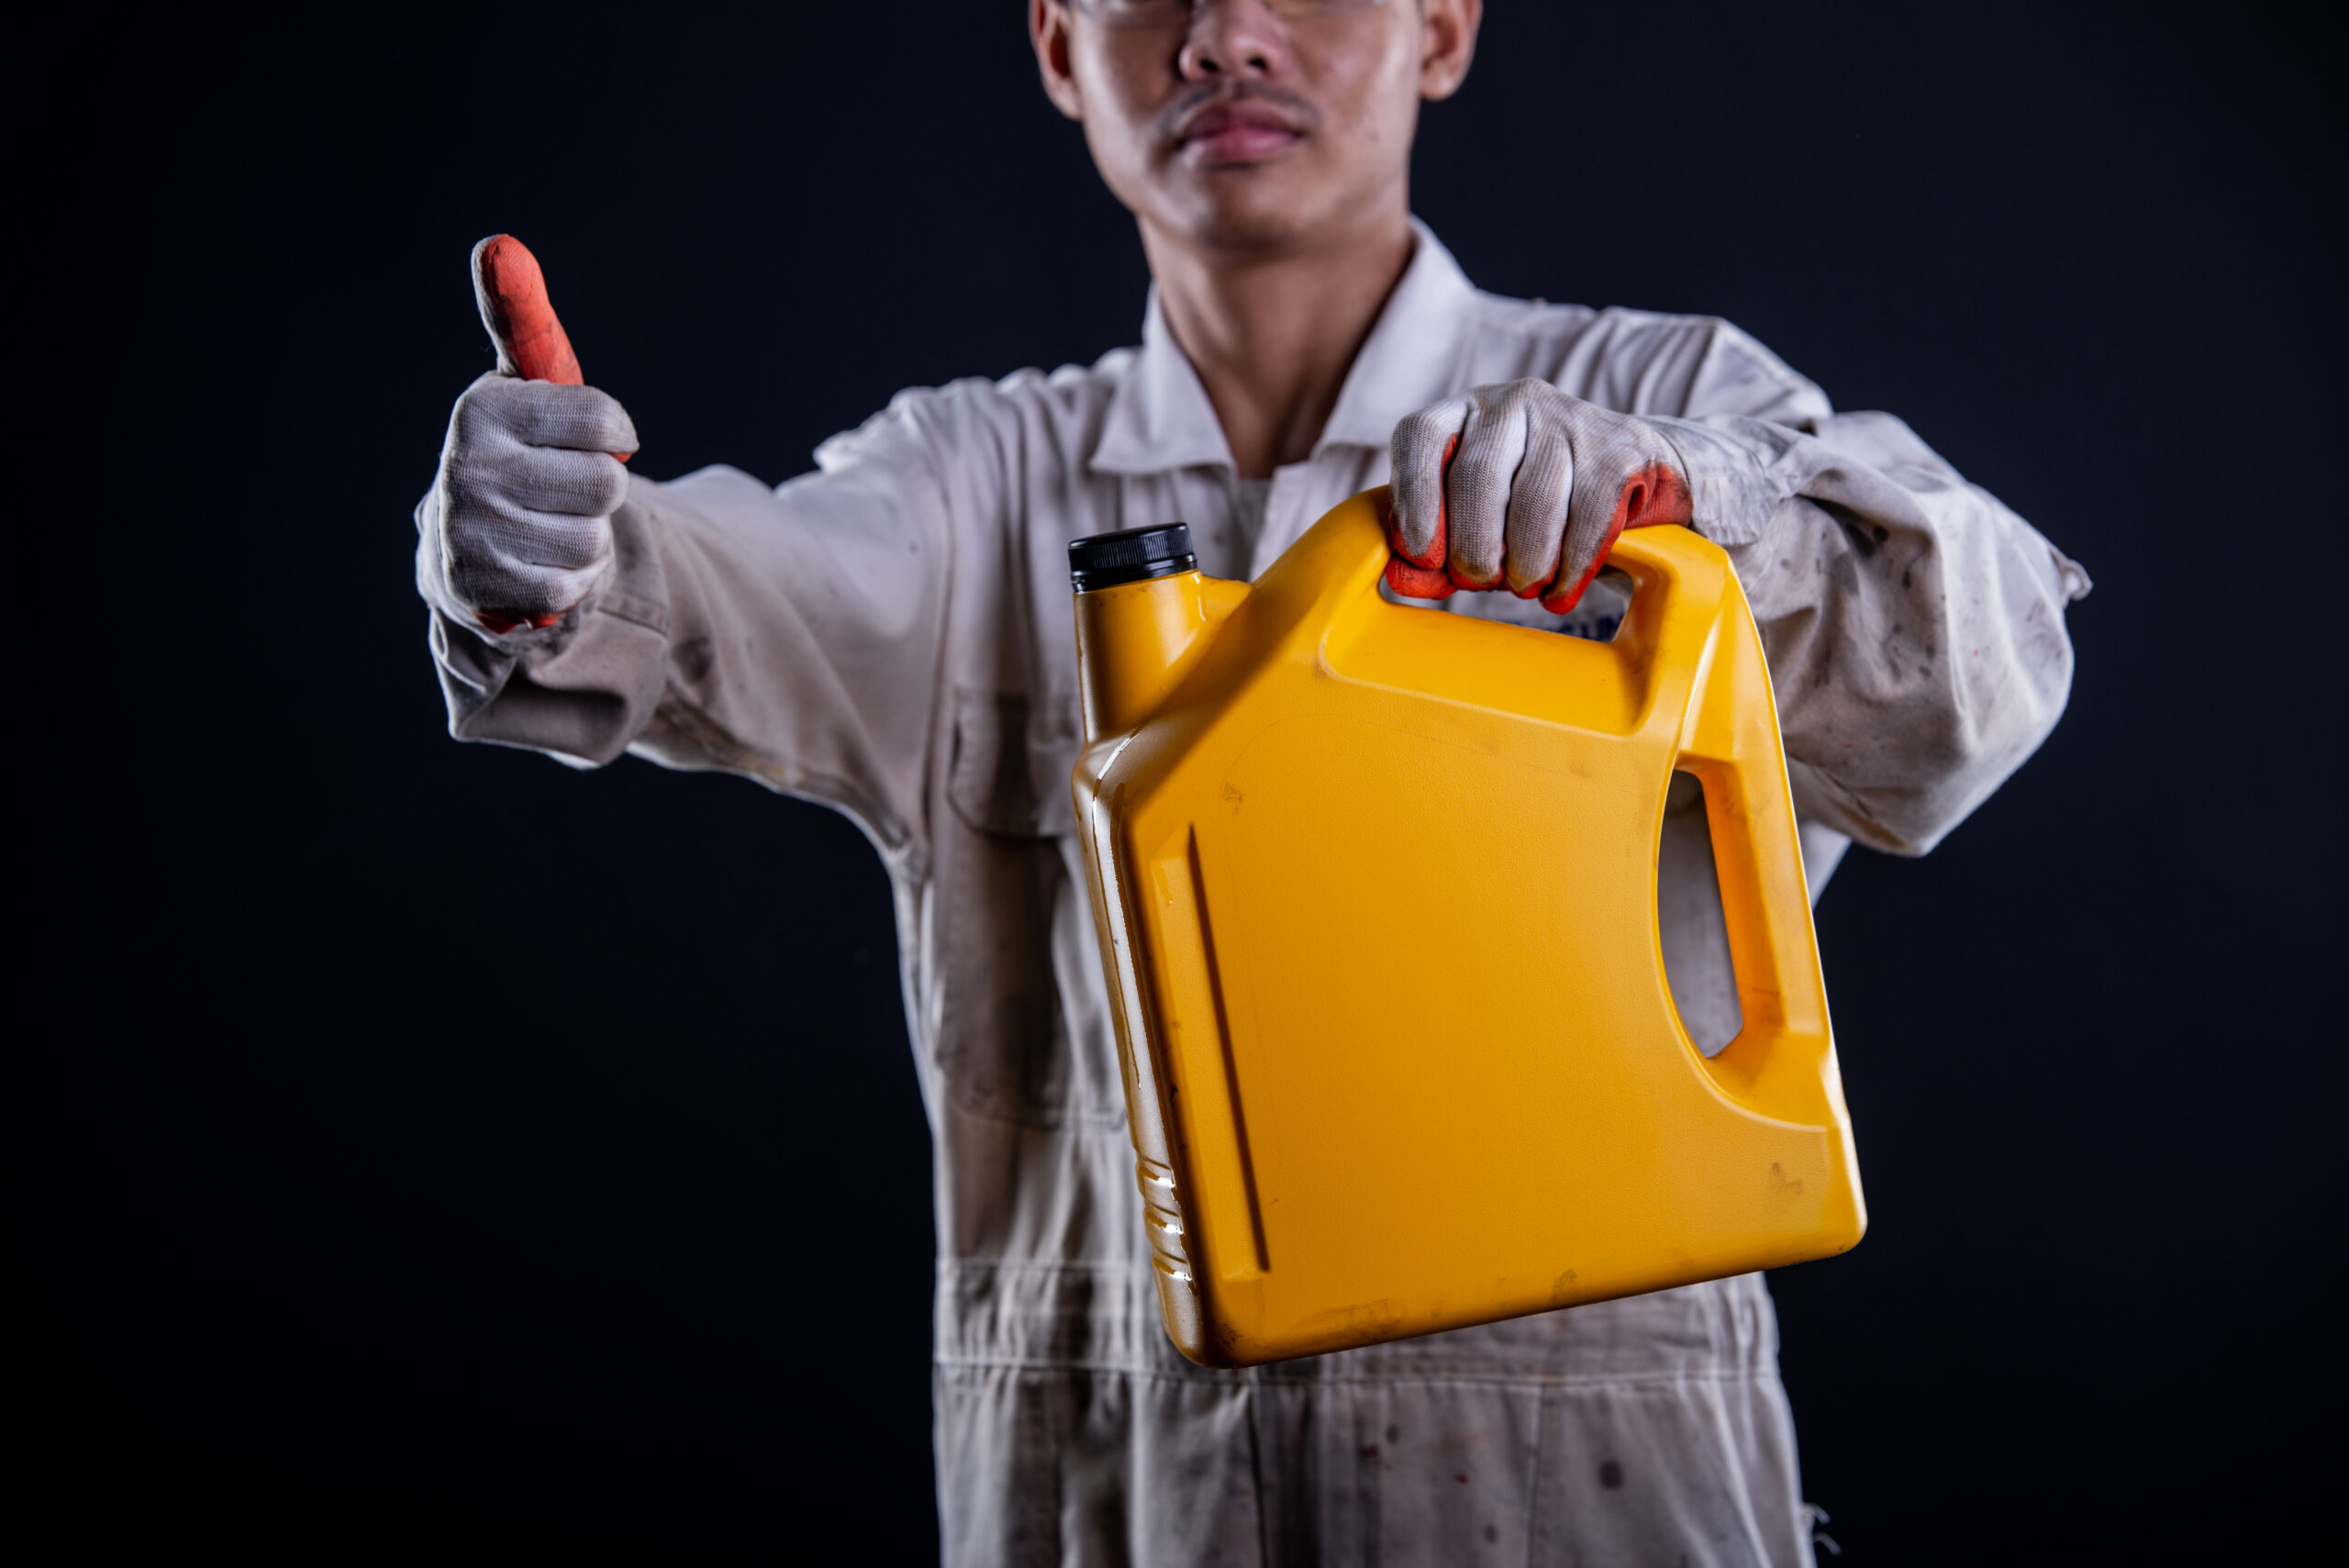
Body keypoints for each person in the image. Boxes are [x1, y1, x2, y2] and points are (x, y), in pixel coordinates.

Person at [414, 1, 2089, 1561]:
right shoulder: (978, 487)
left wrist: (1687, 503)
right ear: (1061, 49)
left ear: (1441, 25)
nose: (1223, 32)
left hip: (1600, 1479)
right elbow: (718, 578)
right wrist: (548, 542)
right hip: (1112, 1489)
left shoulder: (1658, 402)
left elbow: (1980, 654)